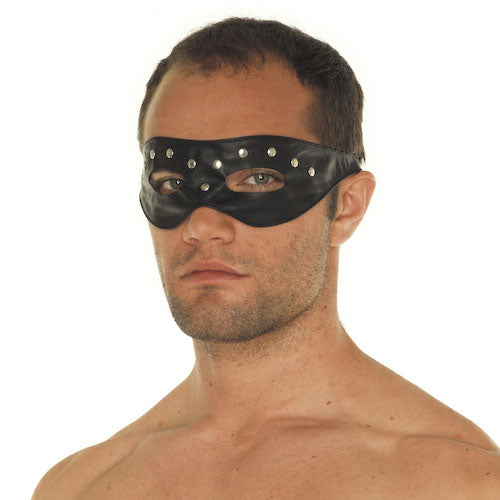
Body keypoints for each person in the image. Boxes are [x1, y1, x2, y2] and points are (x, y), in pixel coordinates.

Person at [33, 16, 500, 499]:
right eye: (172, 183)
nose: (201, 225)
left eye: (258, 178)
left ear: (346, 207)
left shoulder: (459, 485)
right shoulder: (78, 488)